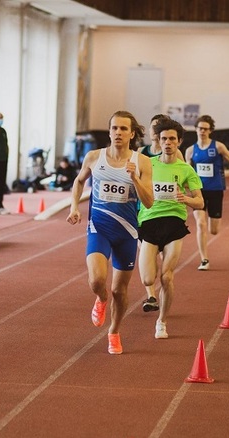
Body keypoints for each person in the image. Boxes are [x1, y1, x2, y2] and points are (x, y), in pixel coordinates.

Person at [66, 110, 154, 355]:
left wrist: (135, 178)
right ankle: (101, 299)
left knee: (120, 290)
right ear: (109, 131)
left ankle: (114, 332)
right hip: (99, 228)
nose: (118, 133)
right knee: (96, 281)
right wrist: (75, 206)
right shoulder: (94, 157)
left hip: (126, 233)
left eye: (123, 129)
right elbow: (78, 181)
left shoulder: (142, 162)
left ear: (132, 133)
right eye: (114, 128)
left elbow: (148, 202)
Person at [138, 118, 204, 339]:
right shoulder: (148, 164)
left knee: (166, 277)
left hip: (174, 222)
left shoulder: (186, 170)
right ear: (159, 140)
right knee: (148, 279)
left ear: (179, 142)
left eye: (172, 139)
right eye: (164, 138)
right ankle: (152, 293)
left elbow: (200, 202)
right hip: (148, 221)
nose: (167, 142)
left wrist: (184, 198)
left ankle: (162, 322)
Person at [185, 115, 229, 270]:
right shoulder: (190, 151)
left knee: (213, 230)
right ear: (195, 129)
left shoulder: (218, 147)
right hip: (199, 192)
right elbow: (187, 171)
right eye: (199, 128)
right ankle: (204, 259)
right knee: (200, 224)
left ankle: (211, 224)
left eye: (205, 129)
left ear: (210, 131)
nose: (202, 131)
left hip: (215, 190)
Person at [138, 114, 171, 313]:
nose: (155, 131)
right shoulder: (141, 152)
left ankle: (162, 288)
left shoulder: (173, 154)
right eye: (153, 127)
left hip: (165, 212)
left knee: (161, 258)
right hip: (144, 211)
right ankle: (151, 295)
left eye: (159, 127)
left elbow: (182, 176)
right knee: (145, 252)